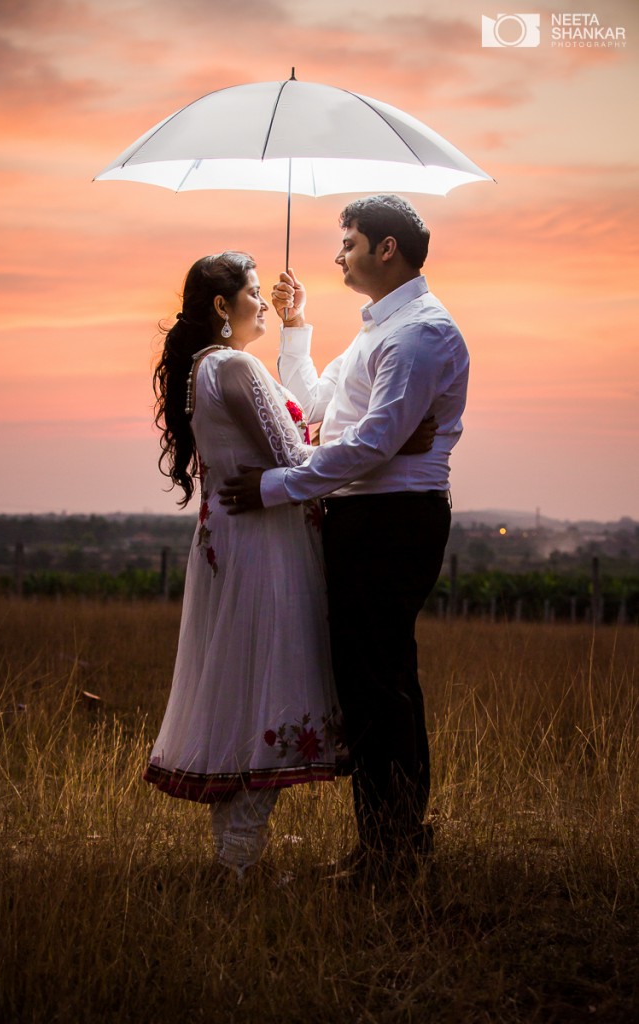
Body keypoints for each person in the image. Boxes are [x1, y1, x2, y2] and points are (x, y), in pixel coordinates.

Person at [220, 195, 470, 883]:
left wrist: (274, 486)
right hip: (363, 516)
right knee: (366, 683)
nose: (337, 256)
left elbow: (369, 444)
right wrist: (296, 326)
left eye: (350, 242)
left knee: (381, 683)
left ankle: (392, 848)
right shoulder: (376, 332)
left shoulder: (421, 333)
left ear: (386, 249)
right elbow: (316, 408)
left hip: (393, 519)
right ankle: (389, 842)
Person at [142, 251, 346, 882]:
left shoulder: (204, 369)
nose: (264, 301)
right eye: (255, 293)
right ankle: (238, 862)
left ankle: (234, 858)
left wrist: (296, 323)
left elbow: (284, 436)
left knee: (241, 684)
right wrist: (365, 437)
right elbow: (297, 455)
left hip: (229, 545)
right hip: (265, 548)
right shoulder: (234, 365)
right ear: (222, 308)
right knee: (268, 685)